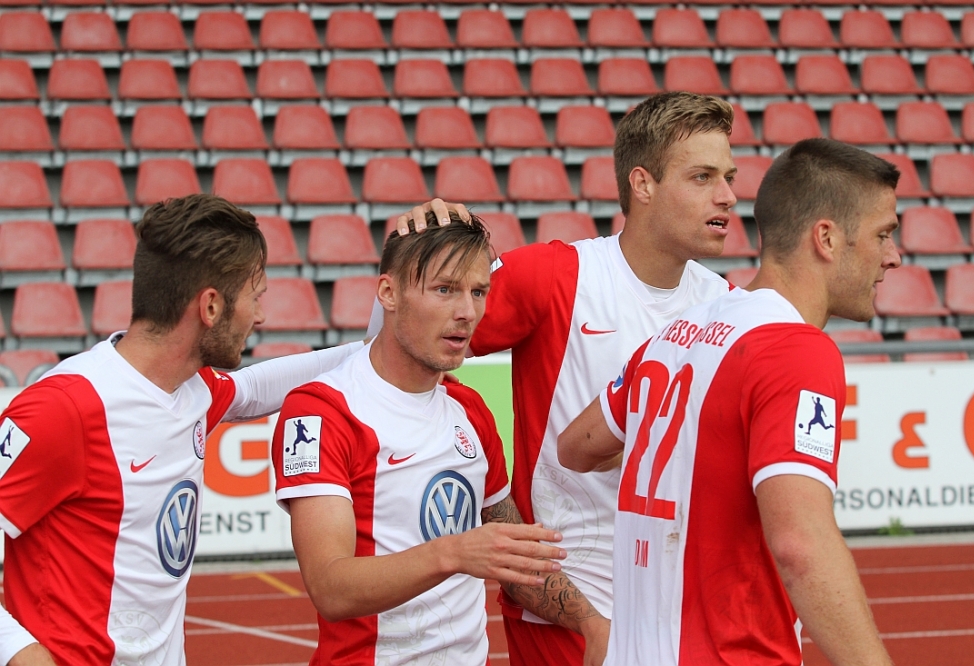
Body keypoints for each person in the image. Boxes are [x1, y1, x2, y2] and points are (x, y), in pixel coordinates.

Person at [376, 91, 739, 665]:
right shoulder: (555, 275)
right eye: (703, 177)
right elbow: (397, 343)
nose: (727, 196)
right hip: (570, 608)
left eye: (728, 177)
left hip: (679, 606)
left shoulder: (727, 306)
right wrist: (411, 256)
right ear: (642, 185)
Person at [558, 138, 900, 666]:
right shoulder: (795, 349)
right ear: (827, 238)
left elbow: (576, 447)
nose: (893, 256)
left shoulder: (675, 334)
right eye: (883, 234)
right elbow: (800, 545)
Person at [0, 194, 367, 666]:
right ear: (210, 306)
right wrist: (21, 653)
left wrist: (374, 349)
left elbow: (254, 388)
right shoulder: (63, 407)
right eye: (255, 297)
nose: (260, 317)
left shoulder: (194, 389)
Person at [271, 213, 609, 665]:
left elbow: (514, 560)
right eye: (445, 289)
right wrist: (453, 552)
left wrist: (593, 623)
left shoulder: (469, 408)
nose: (467, 312)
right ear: (388, 293)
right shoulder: (322, 411)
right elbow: (331, 588)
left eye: (478, 292)